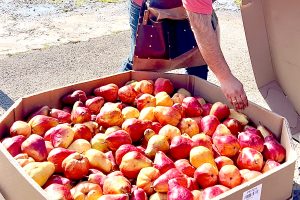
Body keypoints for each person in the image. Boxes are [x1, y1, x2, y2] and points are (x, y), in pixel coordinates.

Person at [122, 0, 248, 110]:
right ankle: (118, 101)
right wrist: (226, 78)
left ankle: (195, 107)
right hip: (151, 8)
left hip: (186, 7)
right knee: (144, 62)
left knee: (198, 60)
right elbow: (201, 28)